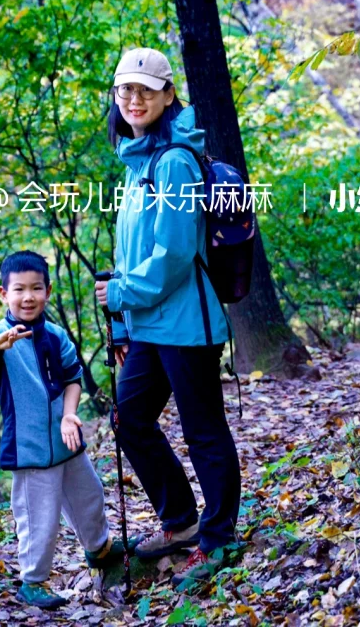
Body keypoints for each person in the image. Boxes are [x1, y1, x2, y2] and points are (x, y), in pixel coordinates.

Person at [94, 47, 242, 591]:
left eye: (145, 90)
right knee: (129, 419)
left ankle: (219, 539)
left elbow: (174, 254)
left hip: (186, 324)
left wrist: (121, 295)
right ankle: (180, 521)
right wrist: (123, 324)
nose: (134, 99)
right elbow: (132, 253)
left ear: (168, 95)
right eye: (125, 90)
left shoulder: (175, 161)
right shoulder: (139, 163)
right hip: (149, 326)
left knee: (203, 430)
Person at [0, 250, 130, 609]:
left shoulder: (55, 335)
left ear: (48, 292)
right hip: (30, 450)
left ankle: (99, 549)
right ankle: (33, 581)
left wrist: (69, 415)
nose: (28, 297)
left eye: (36, 288)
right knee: (39, 518)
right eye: (19, 289)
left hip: (67, 441)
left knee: (89, 496)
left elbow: (73, 378)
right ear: (4, 294)